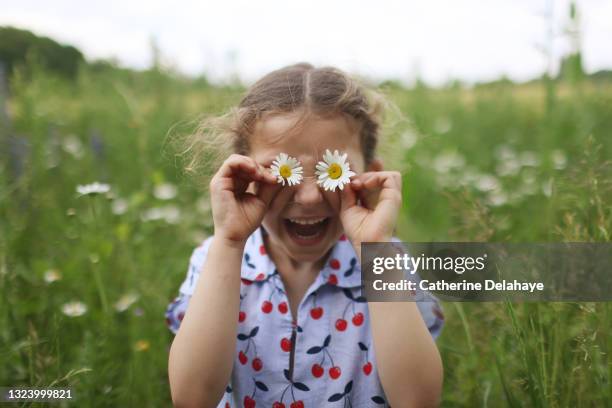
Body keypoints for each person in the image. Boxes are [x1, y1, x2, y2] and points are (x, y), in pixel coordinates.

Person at [166, 63, 444, 408]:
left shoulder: (389, 262)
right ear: (243, 174)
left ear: (370, 177)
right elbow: (192, 399)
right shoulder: (216, 261)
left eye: (334, 171)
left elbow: (418, 401)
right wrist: (229, 241)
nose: (309, 196)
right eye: (280, 172)